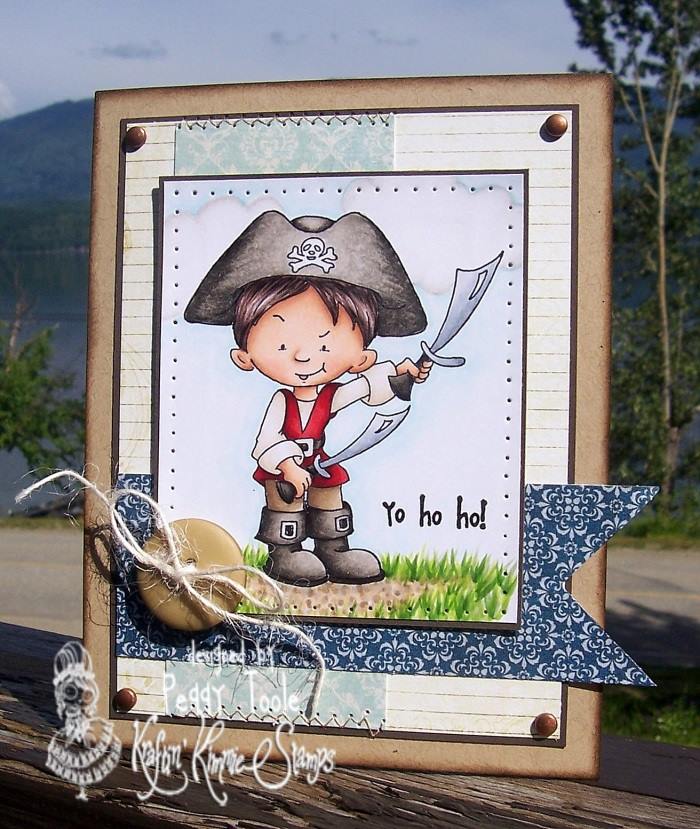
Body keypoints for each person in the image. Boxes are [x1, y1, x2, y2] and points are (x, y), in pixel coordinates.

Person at [185, 210, 432, 587]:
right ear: (244, 356)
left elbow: (364, 389)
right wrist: (287, 465)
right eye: (282, 344)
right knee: (285, 504)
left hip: (319, 461)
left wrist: (403, 374)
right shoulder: (281, 402)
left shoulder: (330, 395)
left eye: (325, 345)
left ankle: (334, 549)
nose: (303, 357)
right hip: (283, 468)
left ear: (362, 357)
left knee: (330, 491)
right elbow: (264, 443)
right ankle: (285, 552)